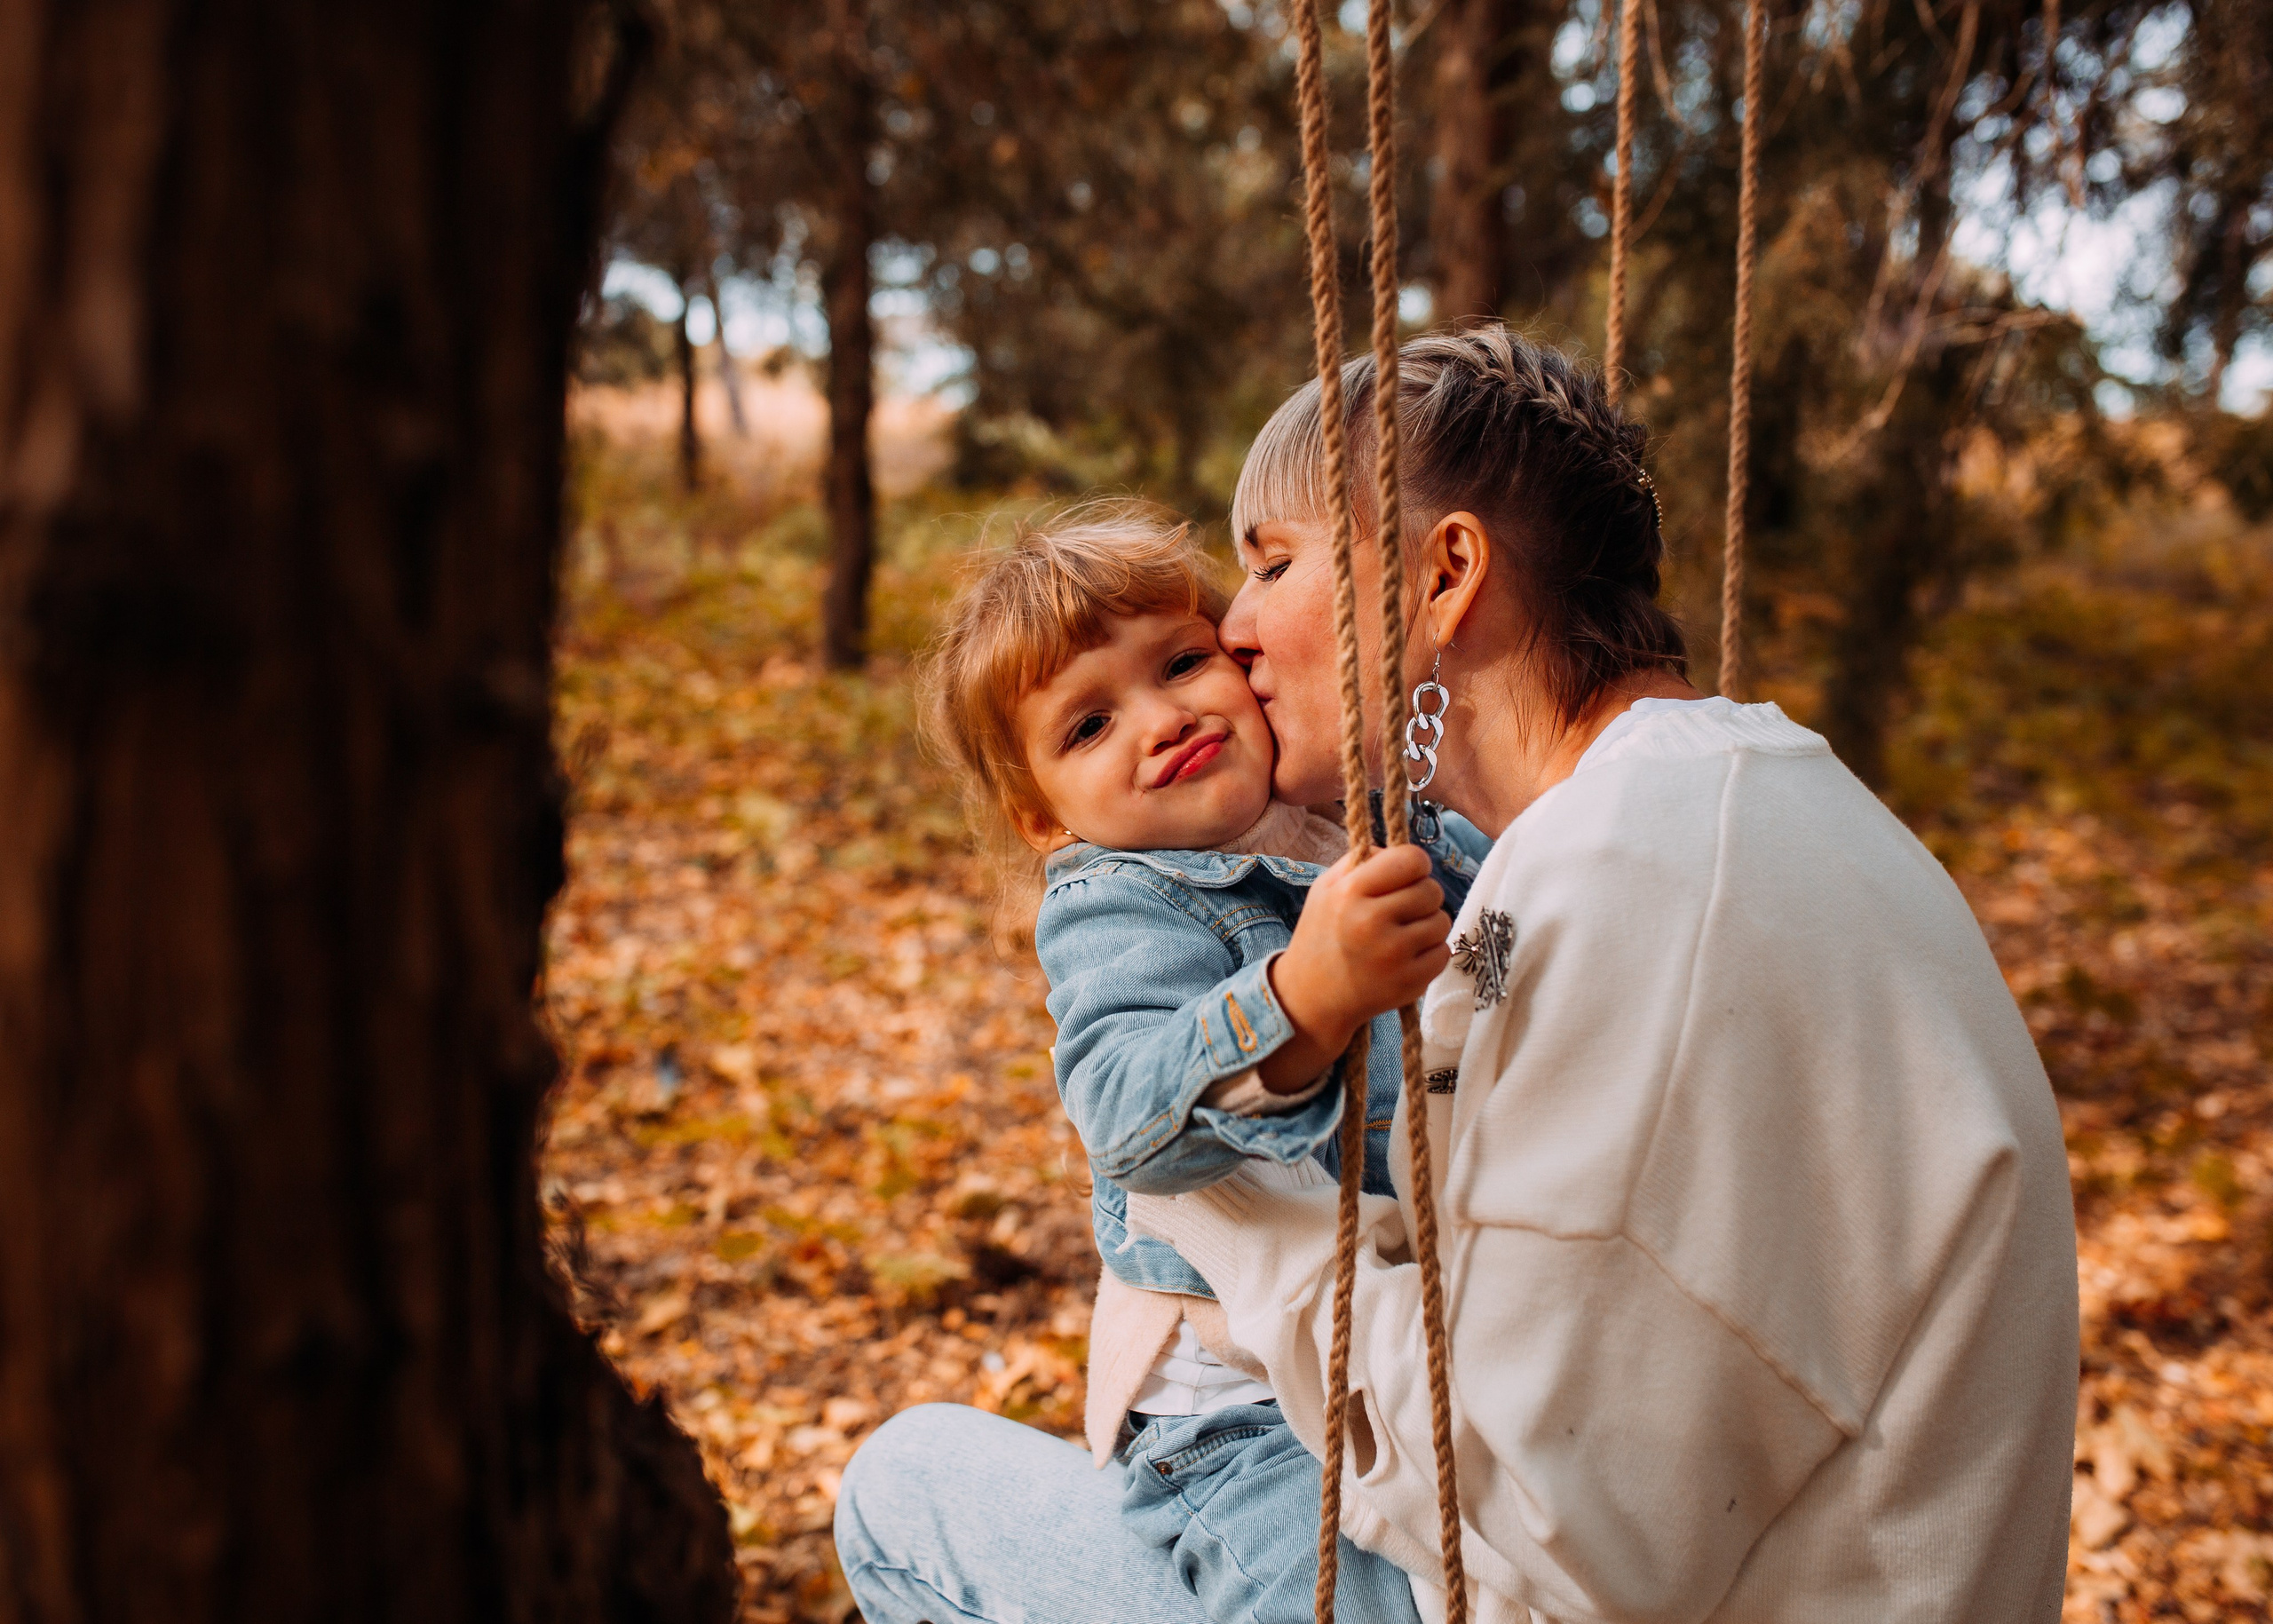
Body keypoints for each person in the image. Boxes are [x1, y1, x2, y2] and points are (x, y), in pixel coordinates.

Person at [837, 328, 2079, 1624]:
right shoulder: (1758, 807)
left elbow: (1532, 1527)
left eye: (1269, 565)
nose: (1241, 630)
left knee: (901, 1487)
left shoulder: (1623, 886)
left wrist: (1236, 1226)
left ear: (1445, 575)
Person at [883, 501, 1489, 1624]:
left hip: (1398, 1340)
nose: (1159, 720)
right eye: (1086, 727)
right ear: (1037, 814)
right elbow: (1123, 1113)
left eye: (1180, 661)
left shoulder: (1368, 810)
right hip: (1235, 1410)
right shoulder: (1114, 900)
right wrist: (1302, 997)